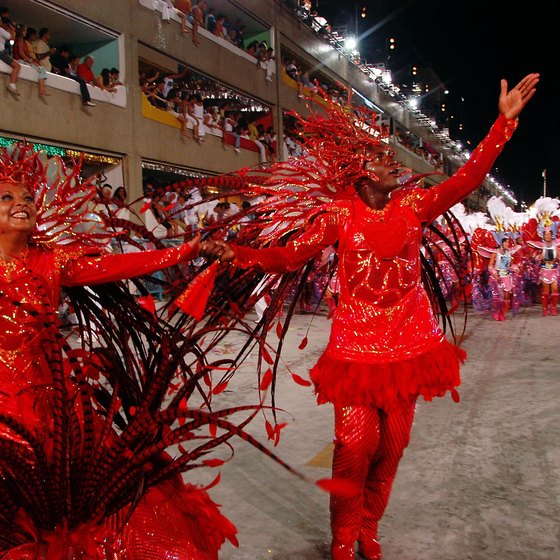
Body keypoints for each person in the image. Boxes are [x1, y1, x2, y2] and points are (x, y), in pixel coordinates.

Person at [199, 73, 539, 560]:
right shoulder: (339, 217)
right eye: (380, 158)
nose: (392, 161)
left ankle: (369, 527)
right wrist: (236, 254)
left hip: (410, 349)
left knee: (391, 449)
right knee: (352, 448)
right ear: (359, 173)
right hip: (356, 353)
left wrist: (501, 125)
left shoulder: (415, 206)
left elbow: (467, 180)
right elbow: (288, 257)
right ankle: (342, 534)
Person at [0, 144, 243, 558]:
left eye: (26, 198)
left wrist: (187, 250)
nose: (21, 203)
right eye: (7, 197)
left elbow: (117, 267)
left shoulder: (51, 262)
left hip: (52, 403)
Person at [526, 219, 560, 316]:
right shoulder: (541, 247)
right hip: (545, 270)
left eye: (549, 235)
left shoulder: (556, 247)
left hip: (553, 270)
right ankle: (545, 308)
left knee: (555, 290)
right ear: (543, 236)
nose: (547, 236)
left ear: (552, 235)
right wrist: (539, 257)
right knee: (545, 291)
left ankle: (553, 308)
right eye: (546, 235)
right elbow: (534, 258)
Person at [0, 15, 20, 96]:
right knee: (17, 66)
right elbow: (12, 39)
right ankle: (12, 86)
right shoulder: (1, 30)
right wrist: (12, 29)